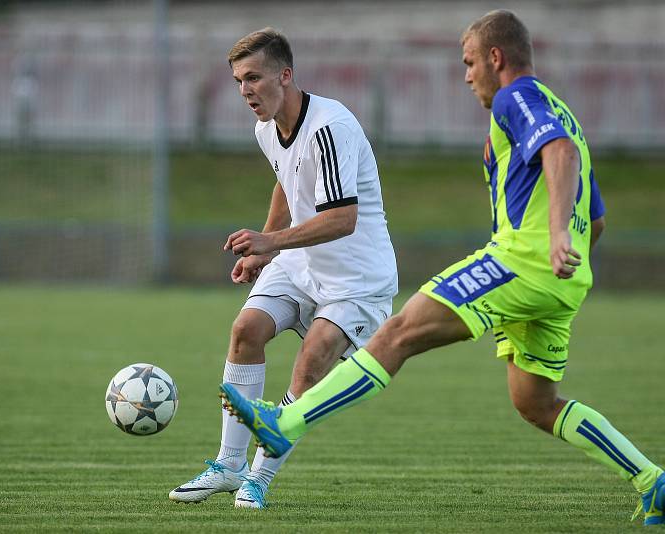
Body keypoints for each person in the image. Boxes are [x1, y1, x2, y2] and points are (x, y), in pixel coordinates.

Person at [221, 10, 664, 525]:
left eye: (470, 62)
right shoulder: (564, 111)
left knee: (397, 333)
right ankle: (651, 479)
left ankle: (286, 422)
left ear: (496, 58)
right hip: (564, 283)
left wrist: (556, 234)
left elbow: (559, 154)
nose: (467, 75)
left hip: (523, 261)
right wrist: (570, 245)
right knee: (536, 404)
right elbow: (600, 218)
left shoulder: (517, 96)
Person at [169, 28, 398, 509]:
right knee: (245, 331)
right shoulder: (266, 128)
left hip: (356, 280)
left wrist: (269, 240)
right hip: (301, 264)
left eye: (253, 77)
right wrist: (265, 251)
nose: (245, 90)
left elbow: (341, 218)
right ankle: (228, 466)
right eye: (237, 80)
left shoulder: (329, 127)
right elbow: (286, 180)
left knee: (311, 361)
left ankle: (258, 477)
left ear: (285, 75)